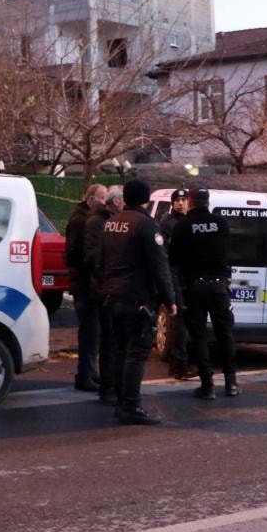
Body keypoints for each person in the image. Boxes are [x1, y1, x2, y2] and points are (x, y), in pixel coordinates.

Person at [101, 179, 176, 425]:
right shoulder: (146, 225)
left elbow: (101, 259)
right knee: (136, 354)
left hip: (112, 296)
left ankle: (120, 402)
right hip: (137, 299)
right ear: (145, 199)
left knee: (120, 351)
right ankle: (131, 406)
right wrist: (170, 299)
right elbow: (159, 266)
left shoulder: (111, 223)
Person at [170, 186, 239, 399]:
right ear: (207, 201)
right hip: (218, 286)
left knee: (198, 336)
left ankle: (207, 385)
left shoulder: (183, 226)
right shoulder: (221, 223)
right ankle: (231, 383)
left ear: (190, 201)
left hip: (194, 287)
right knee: (224, 333)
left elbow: (173, 259)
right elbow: (228, 252)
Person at [65, 184, 106, 392]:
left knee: (93, 331)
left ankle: (89, 371)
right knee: (89, 331)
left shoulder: (84, 218)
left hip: (85, 282)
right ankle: (85, 375)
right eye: (102, 198)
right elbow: (74, 252)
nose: (104, 202)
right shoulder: (81, 221)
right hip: (84, 284)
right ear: (90, 199)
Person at [84, 186, 122, 404]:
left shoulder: (109, 221)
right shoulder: (97, 222)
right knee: (108, 339)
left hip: (109, 287)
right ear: (116, 202)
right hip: (104, 288)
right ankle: (108, 387)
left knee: (112, 339)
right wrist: (107, 279)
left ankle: (111, 384)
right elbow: (94, 257)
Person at [159, 188, 194, 380]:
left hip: (186, 277)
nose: (180, 203)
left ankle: (182, 362)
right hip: (175, 276)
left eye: (183, 200)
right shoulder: (167, 223)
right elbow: (165, 253)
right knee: (178, 322)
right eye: (177, 200)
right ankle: (178, 364)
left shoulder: (189, 221)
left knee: (184, 323)